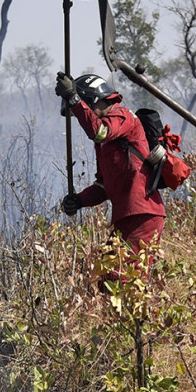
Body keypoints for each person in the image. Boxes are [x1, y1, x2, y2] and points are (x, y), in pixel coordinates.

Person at [55, 72, 166, 268]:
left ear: (91, 101)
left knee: (121, 277)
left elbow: (100, 132)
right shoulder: (104, 144)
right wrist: (79, 200)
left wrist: (73, 98)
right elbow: (103, 186)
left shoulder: (121, 115)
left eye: (82, 110)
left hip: (142, 214)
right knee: (107, 276)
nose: (80, 119)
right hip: (127, 216)